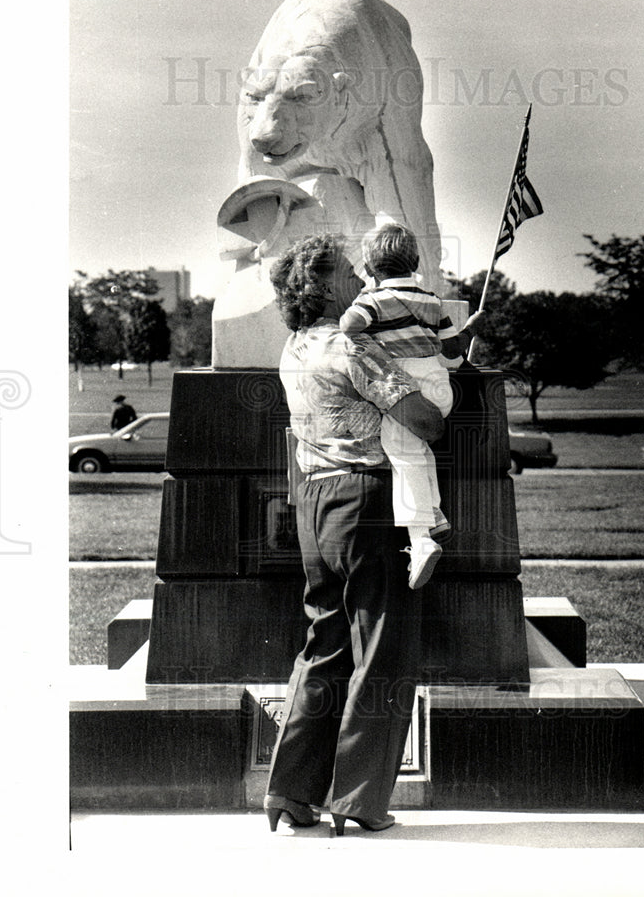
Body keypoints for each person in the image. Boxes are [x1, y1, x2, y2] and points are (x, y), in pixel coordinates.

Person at [263, 232, 444, 837]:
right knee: (384, 650)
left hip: (314, 504)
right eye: (346, 271)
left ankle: (290, 793)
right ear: (322, 287)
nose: (358, 277)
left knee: (325, 644)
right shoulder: (351, 347)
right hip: (366, 501)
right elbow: (426, 421)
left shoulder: (293, 347)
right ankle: (360, 801)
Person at [339, 222, 482, 589]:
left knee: (402, 455)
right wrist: (468, 331)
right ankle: (434, 514)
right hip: (438, 384)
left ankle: (420, 540)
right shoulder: (432, 300)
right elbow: (452, 349)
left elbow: (348, 326)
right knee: (418, 450)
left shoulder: (373, 301)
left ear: (370, 268)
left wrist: (361, 304)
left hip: (405, 386)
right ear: (415, 261)